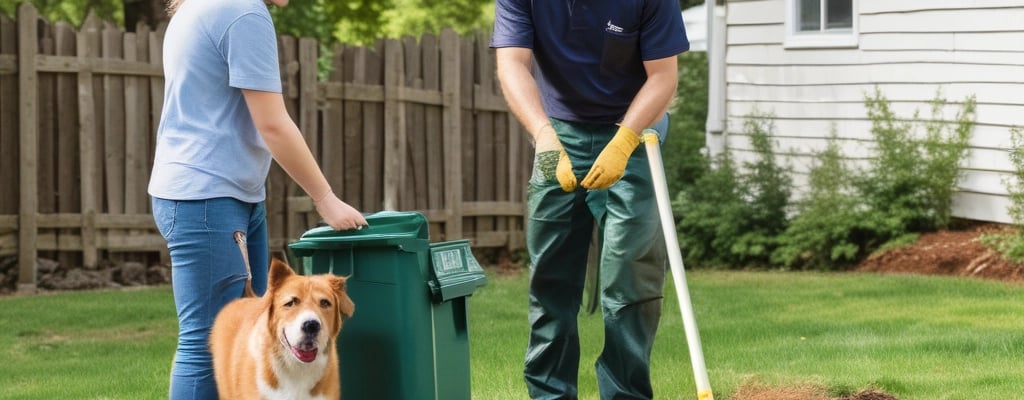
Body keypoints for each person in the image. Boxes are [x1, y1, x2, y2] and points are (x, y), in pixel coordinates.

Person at [149, 0, 367, 398]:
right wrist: (325, 197)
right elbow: (272, 122)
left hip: (221, 192)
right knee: (207, 343)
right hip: (208, 196)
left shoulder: (201, 6)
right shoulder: (243, 12)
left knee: (250, 330)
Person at [491, 1, 689, 398]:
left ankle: (625, 394)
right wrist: (544, 135)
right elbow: (512, 64)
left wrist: (625, 139)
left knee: (630, 276)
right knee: (551, 275)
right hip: (559, 132)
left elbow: (663, 76)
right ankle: (549, 394)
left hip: (633, 132)